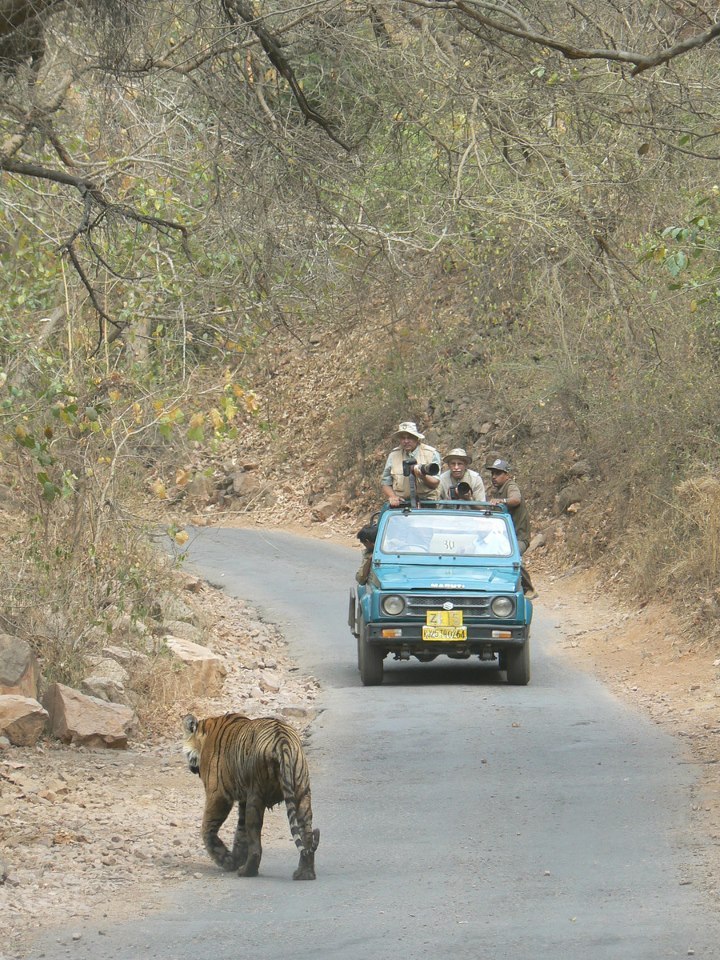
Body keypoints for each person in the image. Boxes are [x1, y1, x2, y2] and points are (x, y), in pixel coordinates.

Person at [485, 457, 537, 598]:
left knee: (513, 558)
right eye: (493, 474)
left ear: (507, 475)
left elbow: (516, 499)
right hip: (504, 538)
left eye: (498, 473)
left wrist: (502, 501)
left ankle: (529, 588)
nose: (494, 477)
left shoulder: (510, 486)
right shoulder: (497, 490)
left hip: (519, 537)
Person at [381, 421, 441, 507]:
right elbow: (385, 482)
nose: (406, 441)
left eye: (410, 438)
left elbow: (435, 482)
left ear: (417, 438)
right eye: (403, 438)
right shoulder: (393, 455)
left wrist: (422, 476)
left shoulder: (431, 453)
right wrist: (392, 496)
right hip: (403, 504)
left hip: (428, 504)